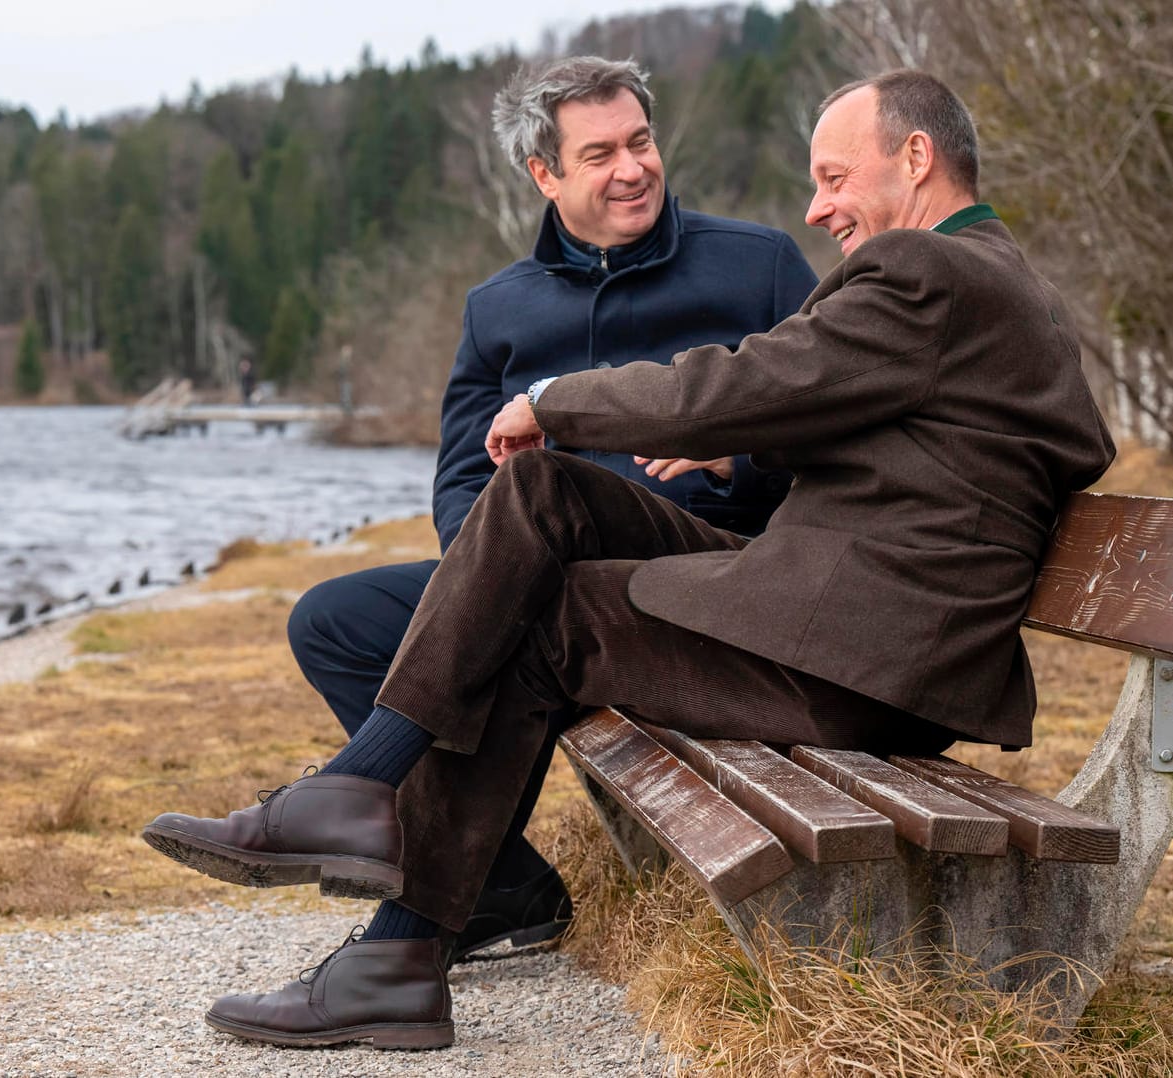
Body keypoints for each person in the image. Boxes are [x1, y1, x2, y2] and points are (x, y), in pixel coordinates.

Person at [145, 70, 1117, 1050]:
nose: (816, 208)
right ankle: (358, 800)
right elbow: (935, 439)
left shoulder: (931, 273)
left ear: (917, 157)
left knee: (549, 622)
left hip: (859, 656)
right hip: (858, 625)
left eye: (832, 177)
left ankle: (394, 946)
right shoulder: (989, 280)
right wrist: (753, 444)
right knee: (544, 493)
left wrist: (556, 399)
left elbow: (752, 376)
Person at [284, 55, 817, 968]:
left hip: (702, 588)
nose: (632, 169)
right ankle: (502, 886)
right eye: (600, 152)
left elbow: (831, 438)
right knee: (332, 622)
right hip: (535, 577)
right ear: (545, 174)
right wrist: (483, 571)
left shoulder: (758, 266)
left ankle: (404, 906)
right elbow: (461, 479)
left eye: (640, 142)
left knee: (507, 627)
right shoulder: (498, 308)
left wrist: (736, 463)